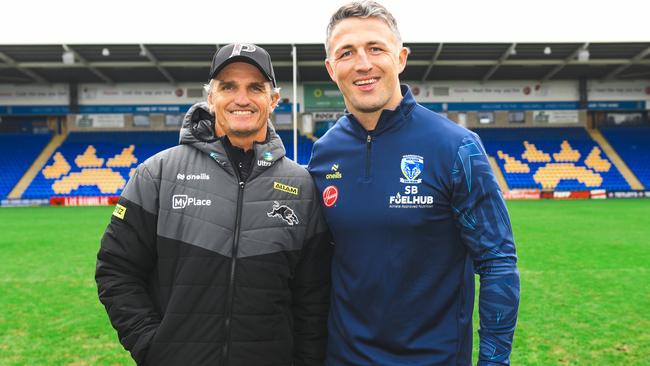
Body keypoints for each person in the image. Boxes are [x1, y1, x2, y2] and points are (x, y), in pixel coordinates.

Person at [308, 2, 520, 365]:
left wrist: (493, 361)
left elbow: (498, 261)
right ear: (331, 68)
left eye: (376, 48)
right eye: (347, 53)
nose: (363, 64)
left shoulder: (456, 148)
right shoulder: (323, 154)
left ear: (401, 58)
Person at [96, 43, 332, 366]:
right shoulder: (157, 174)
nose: (241, 99)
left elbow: (313, 298)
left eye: (255, 88)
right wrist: (152, 345)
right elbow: (115, 269)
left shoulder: (301, 186)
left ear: (274, 100)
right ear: (210, 97)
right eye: (228, 87)